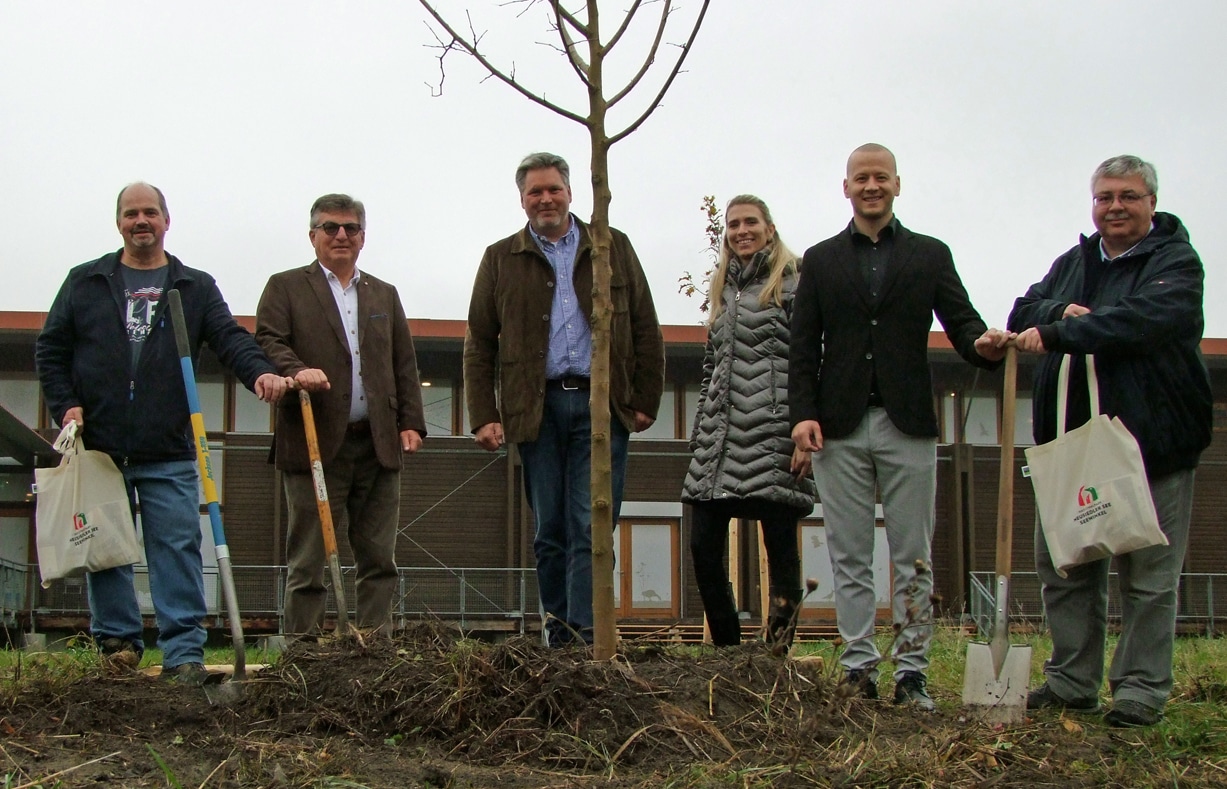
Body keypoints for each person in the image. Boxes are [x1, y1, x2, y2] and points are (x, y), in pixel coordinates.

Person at [35, 182, 290, 684]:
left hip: (168, 445)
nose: (141, 221)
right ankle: (118, 644)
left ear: (166, 221)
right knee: (104, 545)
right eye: (131, 214)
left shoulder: (192, 286)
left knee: (175, 547)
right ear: (119, 223)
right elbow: (51, 350)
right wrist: (67, 405)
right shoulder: (85, 282)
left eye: (150, 212)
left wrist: (258, 372)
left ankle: (183, 655)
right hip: (101, 446)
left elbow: (229, 337)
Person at [789, 144, 1009, 710]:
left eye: (880, 177)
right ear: (846, 188)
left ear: (897, 185)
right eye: (861, 178)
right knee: (849, 554)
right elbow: (801, 347)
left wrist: (984, 346)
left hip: (907, 424)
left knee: (914, 556)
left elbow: (962, 323)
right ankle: (859, 668)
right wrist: (803, 415)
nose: (871, 186)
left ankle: (912, 673)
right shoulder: (819, 260)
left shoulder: (930, 256)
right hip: (837, 426)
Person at [1008, 155, 1212, 728]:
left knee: (1148, 575)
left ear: (1151, 201)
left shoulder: (1175, 261)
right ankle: (1072, 683)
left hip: (1153, 445)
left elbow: (1141, 321)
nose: (1114, 207)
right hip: (1073, 448)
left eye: (1127, 196)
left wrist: (1060, 330)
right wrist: (1055, 310)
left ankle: (1140, 690)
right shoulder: (1071, 263)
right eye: (1104, 197)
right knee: (1066, 568)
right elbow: (1025, 308)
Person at [464, 152, 665, 647]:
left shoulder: (612, 246)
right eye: (535, 191)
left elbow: (645, 325)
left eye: (553, 188)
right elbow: (479, 342)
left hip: (603, 407)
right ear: (522, 200)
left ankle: (590, 636)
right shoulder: (500, 258)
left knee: (592, 524)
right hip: (536, 411)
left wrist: (645, 398)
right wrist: (484, 415)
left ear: (571, 193)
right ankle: (560, 633)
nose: (545, 198)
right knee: (549, 527)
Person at [256, 193, 426, 638]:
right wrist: (295, 371)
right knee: (309, 559)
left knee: (378, 557)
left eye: (350, 228)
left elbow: (403, 362)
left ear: (363, 237)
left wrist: (410, 421)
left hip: (378, 443)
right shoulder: (286, 286)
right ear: (313, 235)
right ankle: (303, 654)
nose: (341, 235)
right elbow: (268, 341)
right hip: (313, 439)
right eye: (330, 227)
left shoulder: (384, 294)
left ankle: (375, 652)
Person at [682, 195, 814, 649]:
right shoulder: (723, 289)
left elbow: (811, 361)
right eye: (734, 224)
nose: (741, 230)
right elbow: (710, 368)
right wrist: (702, 430)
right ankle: (730, 653)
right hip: (718, 442)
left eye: (751, 222)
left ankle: (777, 652)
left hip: (775, 435)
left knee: (780, 548)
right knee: (702, 548)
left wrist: (807, 432)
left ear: (769, 228)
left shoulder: (794, 282)